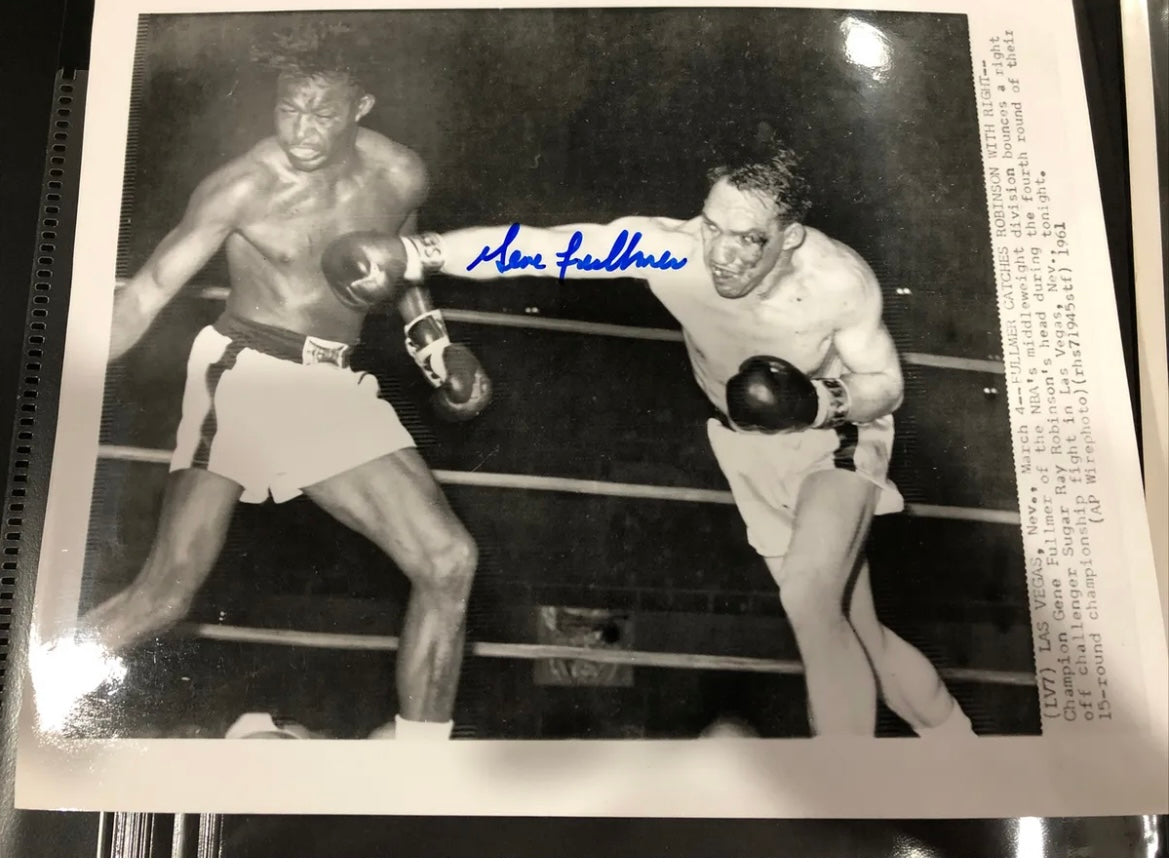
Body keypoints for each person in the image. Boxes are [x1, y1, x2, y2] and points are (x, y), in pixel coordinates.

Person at [329, 142, 975, 738]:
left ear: (789, 237)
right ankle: (960, 744)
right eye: (712, 226)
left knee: (807, 594)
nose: (721, 253)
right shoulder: (671, 249)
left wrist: (818, 399)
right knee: (851, 629)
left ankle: (849, 798)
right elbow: (544, 246)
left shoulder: (834, 279)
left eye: (747, 239)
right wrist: (415, 255)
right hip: (748, 446)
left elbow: (884, 383)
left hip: (837, 432)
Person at [70, 28, 492, 740]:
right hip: (245, 371)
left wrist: (435, 348)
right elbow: (144, 295)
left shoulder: (400, 177)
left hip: (329, 384)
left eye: (321, 112)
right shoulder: (243, 186)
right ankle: (30, 695)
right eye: (288, 108)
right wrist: (60, 383)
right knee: (167, 592)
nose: (300, 129)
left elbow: (402, 271)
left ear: (361, 106)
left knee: (448, 560)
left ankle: (419, 774)